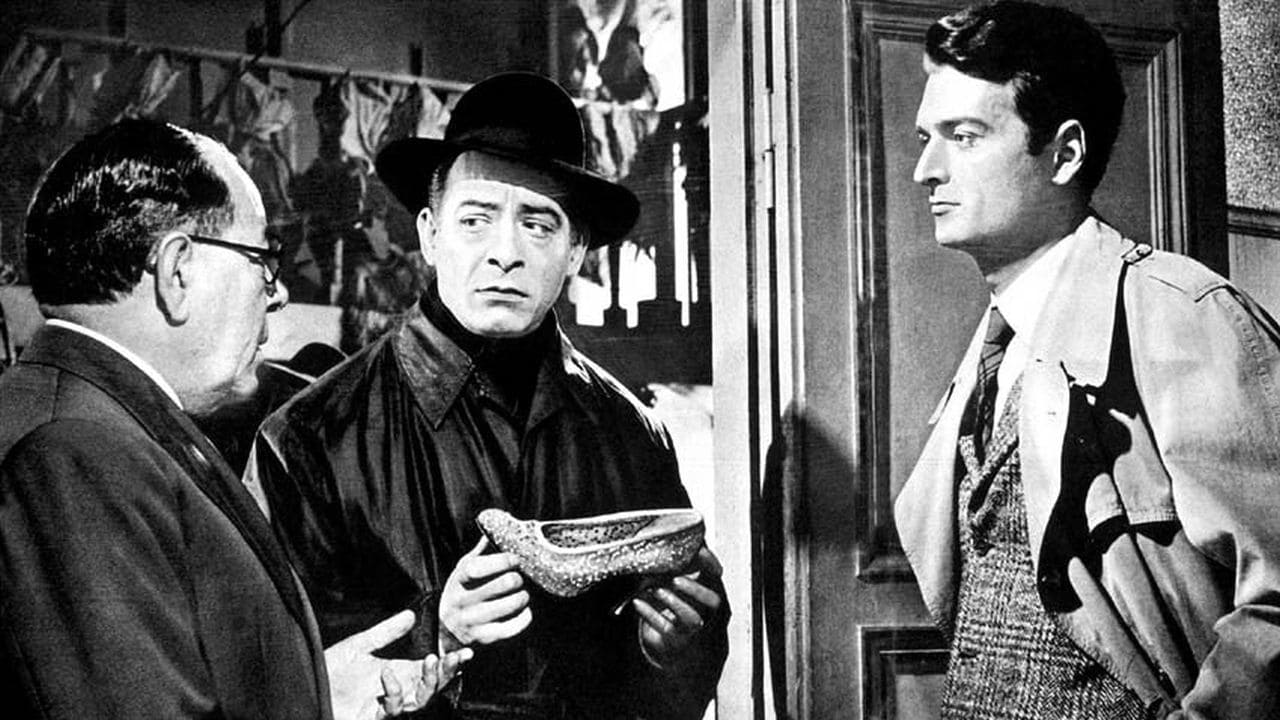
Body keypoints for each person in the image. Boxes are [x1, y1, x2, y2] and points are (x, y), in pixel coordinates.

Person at [249, 72, 728, 719]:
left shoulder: (632, 432)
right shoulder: (307, 438)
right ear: (429, 234)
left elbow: (670, 696)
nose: (505, 253)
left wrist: (673, 650)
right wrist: (435, 630)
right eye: (475, 220)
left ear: (576, 250)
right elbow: (271, 680)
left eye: (538, 225)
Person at [0, 118, 466, 720]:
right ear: (178, 270)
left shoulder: (104, 422)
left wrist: (311, 694)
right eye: (260, 260)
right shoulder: (76, 453)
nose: (277, 293)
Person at [894, 2, 1280, 718]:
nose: (925, 170)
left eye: (964, 137)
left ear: (1065, 154)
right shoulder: (999, 343)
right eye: (926, 139)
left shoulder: (1183, 313)